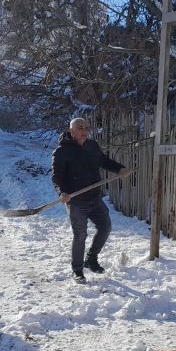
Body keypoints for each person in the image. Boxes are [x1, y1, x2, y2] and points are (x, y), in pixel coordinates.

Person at [52, 117, 128, 283]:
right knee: (80, 235)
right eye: (80, 127)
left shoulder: (92, 146)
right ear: (71, 131)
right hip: (76, 200)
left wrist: (119, 168)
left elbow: (103, 161)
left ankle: (91, 259)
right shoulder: (62, 152)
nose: (84, 130)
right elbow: (56, 178)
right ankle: (77, 270)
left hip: (94, 196)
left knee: (105, 227)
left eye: (87, 127)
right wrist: (62, 192)